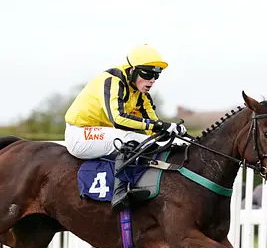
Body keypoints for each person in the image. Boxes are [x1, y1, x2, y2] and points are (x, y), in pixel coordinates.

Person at [64, 43, 187, 211]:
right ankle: (120, 192)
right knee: (128, 138)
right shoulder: (112, 81)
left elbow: (153, 127)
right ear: (132, 70)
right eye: (148, 73)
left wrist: (175, 134)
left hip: (103, 134)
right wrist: (161, 125)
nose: (152, 80)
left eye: (156, 75)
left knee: (153, 141)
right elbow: (118, 119)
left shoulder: (141, 95)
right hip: (80, 134)